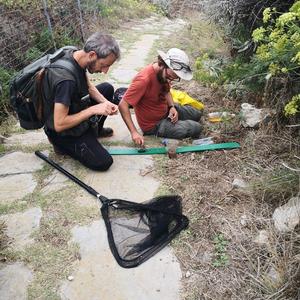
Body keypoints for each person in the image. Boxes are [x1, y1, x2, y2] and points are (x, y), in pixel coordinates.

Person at [42, 32, 120, 171]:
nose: (105, 71)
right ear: (92, 55)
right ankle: (61, 146)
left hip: (74, 108)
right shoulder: (66, 81)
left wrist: (105, 103)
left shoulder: (75, 54)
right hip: (61, 131)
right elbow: (59, 124)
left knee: (107, 89)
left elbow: (88, 86)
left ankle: (95, 132)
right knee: (103, 162)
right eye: (103, 65)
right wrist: (93, 110)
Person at [119, 48, 202, 146]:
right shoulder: (143, 80)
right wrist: (134, 132)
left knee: (197, 114)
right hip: (154, 125)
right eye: (170, 77)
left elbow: (166, 91)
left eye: (174, 78)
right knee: (197, 128)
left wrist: (172, 107)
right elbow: (122, 105)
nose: (170, 80)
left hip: (166, 110)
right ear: (163, 64)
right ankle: (177, 125)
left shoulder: (163, 73)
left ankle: (178, 121)